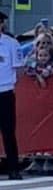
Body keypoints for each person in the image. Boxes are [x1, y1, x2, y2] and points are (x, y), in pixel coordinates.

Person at [0, 11, 24, 179]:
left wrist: (12, 83)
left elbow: (19, 68)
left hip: (5, 92)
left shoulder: (10, 43)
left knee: (8, 132)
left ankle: (13, 168)